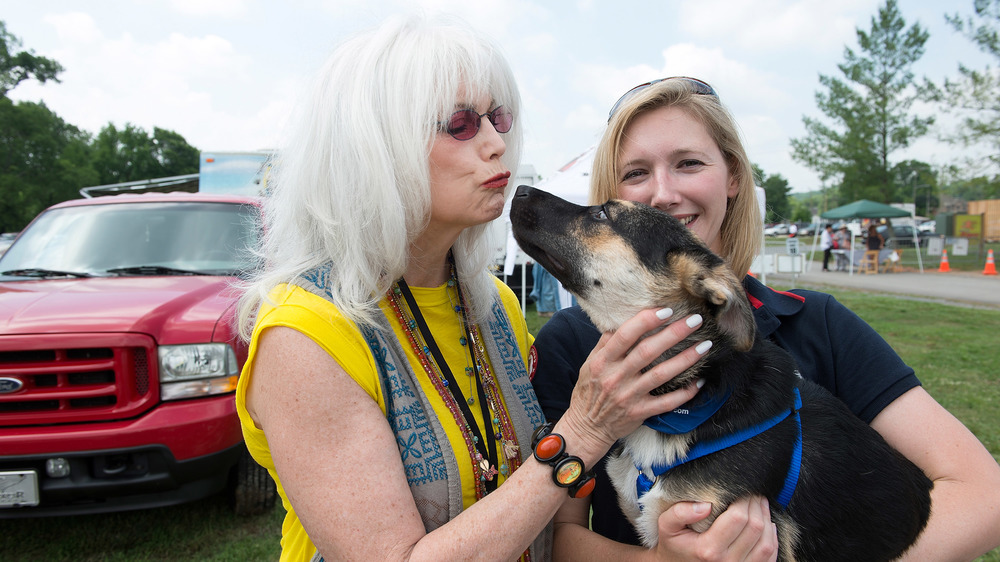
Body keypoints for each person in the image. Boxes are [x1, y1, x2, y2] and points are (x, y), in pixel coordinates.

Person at [233, 17, 712, 561]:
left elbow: (535, 519)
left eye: (498, 117)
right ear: (375, 146)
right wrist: (583, 430)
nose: (496, 143)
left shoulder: (493, 303)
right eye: (460, 124)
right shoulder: (306, 334)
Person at [531, 77, 1000, 560]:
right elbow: (559, 539)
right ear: (614, 195)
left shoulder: (815, 324)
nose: (664, 193)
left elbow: (984, 496)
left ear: (733, 177)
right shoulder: (571, 345)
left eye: (688, 163)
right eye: (635, 173)